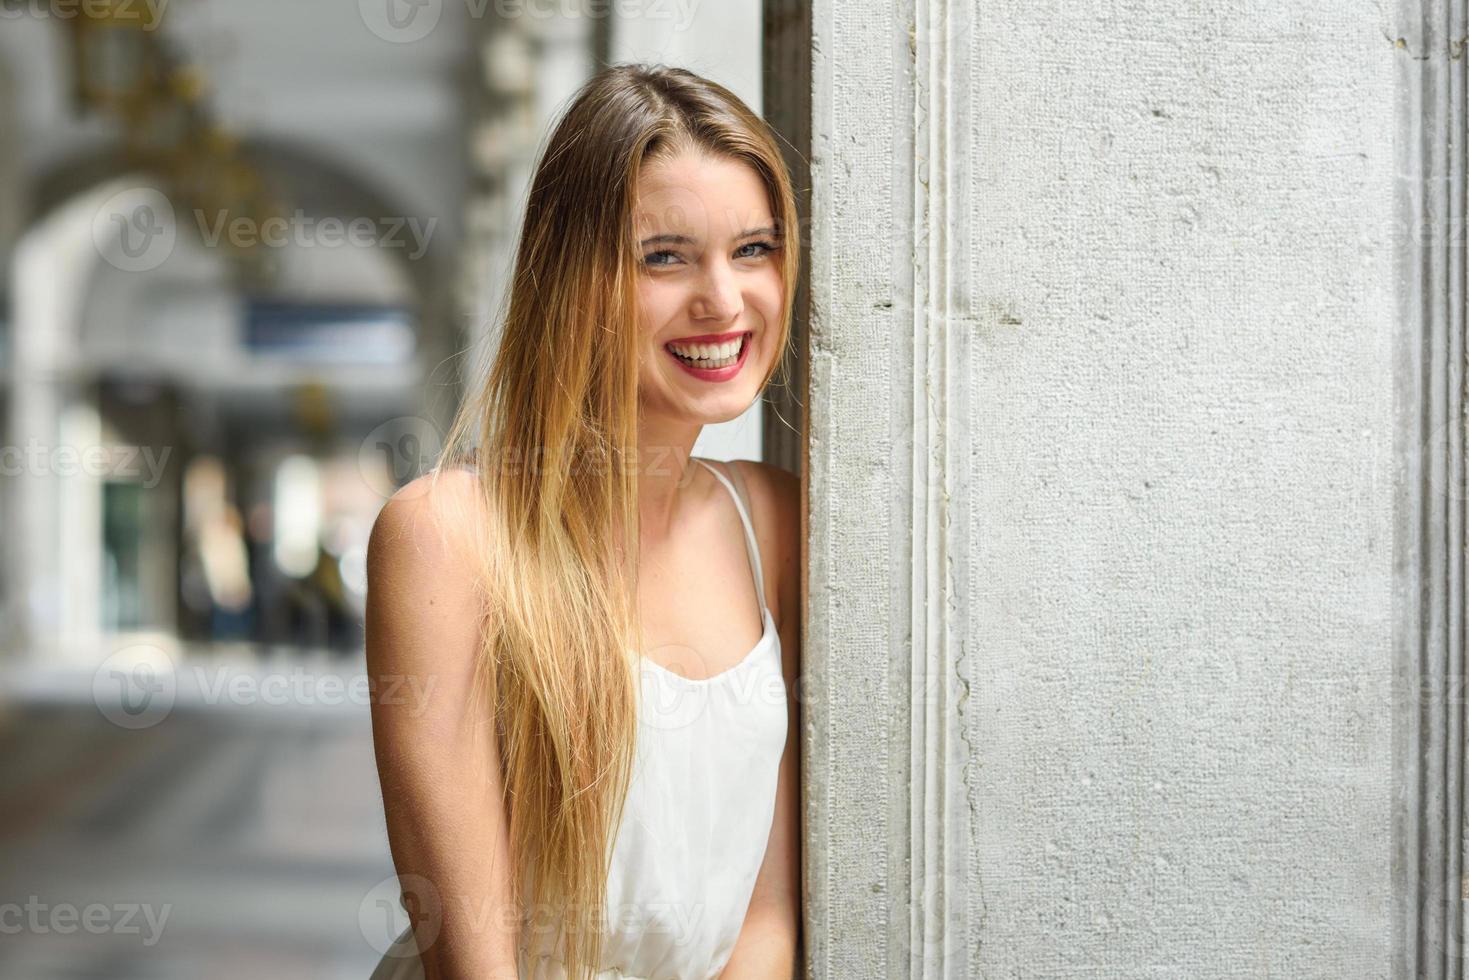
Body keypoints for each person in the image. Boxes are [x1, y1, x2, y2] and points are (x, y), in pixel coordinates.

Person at [364, 63, 803, 979]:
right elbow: (469, 954)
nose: (723, 300)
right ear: (572, 277)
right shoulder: (446, 537)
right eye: (664, 256)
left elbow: (765, 921)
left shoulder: (777, 524)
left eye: (753, 249)